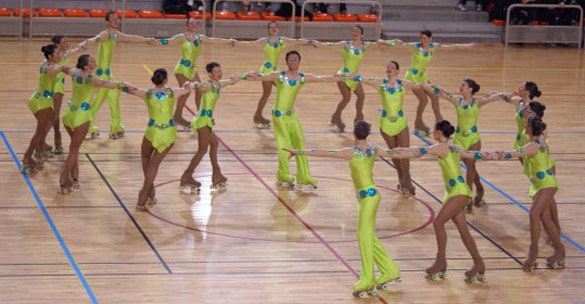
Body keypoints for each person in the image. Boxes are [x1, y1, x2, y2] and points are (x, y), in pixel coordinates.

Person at [284, 120, 401, 297]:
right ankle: (389, 269)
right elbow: (398, 152)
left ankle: (367, 279)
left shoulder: (351, 153)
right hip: (370, 197)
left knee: (363, 236)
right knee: (368, 236)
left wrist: (298, 152)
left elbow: (323, 152)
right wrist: (422, 151)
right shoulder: (373, 149)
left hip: (368, 199)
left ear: (354, 133)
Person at [385, 120, 486, 283]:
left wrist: (391, 152)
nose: (432, 132)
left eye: (434, 130)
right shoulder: (454, 146)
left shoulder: (442, 147)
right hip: (456, 191)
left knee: (438, 223)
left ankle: (441, 261)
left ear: (439, 132)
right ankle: (478, 263)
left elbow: (417, 151)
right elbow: (473, 154)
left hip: (458, 192)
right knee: (463, 229)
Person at [245, 50, 342, 189]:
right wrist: (242, 75)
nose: (293, 62)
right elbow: (260, 77)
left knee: (300, 143)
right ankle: (283, 175)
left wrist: (343, 76)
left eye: (295, 59)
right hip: (279, 115)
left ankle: (304, 177)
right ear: (286, 62)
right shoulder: (279, 76)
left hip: (291, 115)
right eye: (290, 59)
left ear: (299, 61)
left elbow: (324, 78)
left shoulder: (302, 77)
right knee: (284, 145)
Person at [491, 115, 565, 271]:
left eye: (526, 125)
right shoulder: (539, 139)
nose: (524, 127)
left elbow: (514, 153)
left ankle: (533, 252)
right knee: (545, 219)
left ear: (530, 129)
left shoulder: (534, 145)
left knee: (533, 214)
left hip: (546, 184)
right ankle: (559, 250)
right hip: (539, 185)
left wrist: (496, 154)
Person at [422, 79, 500, 210]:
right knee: (471, 167)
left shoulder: (477, 102)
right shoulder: (457, 100)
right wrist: (426, 86)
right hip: (459, 139)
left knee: (470, 165)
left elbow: (493, 97)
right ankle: (480, 190)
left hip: (473, 139)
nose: (460, 87)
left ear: (470, 89)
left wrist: (505, 95)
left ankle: (468, 196)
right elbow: (442, 93)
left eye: (463, 85)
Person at [123, 68, 195, 209]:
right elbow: (189, 87)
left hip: (152, 131)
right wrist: (188, 83)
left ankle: (147, 193)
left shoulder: (148, 94)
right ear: (165, 80)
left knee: (145, 159)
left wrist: (123, 85)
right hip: (168, 133)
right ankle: (147, 193)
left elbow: (129, 90)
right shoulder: (172, 92)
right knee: (154, 165)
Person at [378, 30, 473, 136]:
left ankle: (439, 124)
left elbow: (448, 47)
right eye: (421, 38)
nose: (422, 40)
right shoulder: (416, 47)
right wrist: (385, 42)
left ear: (430, 39)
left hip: (423, 76)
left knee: (435, 96)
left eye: (424, 38)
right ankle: (418, 124)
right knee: (423, 100)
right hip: (412, 77)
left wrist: (464, 46)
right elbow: (401, 43)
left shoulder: (433, 46)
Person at [59, 54, 129, 193]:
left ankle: (75, 178)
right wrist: (125, 84)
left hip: (68, 114)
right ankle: (63, 177)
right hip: (81, 117)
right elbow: (108, 84)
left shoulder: (74, 72)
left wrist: (56, 66)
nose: (95, 61)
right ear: (86, 66)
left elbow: (64, 68)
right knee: (74, 149)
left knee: (75, 148)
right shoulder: (92, 80)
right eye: (91, 61)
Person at [78, 10, 151, 139]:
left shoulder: (115, 34)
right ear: (107, 22)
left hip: (108, 74)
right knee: (97, 103)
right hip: (102, 75)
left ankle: (116, 126)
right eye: (113, 19)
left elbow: (130, 37)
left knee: (114, 97)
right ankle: (86, 125)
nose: (116, 21)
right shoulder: (105, 34)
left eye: (117, 19)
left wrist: (146, 40)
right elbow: (95, 39)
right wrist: (85, 42)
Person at [154, 18, 234, 128]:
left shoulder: (200, 38)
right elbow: (168, 41)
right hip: (181, 69)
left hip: (192, 69)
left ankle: (201, 114)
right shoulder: (182, 37)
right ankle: (177, 116)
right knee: (185, 92)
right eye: (191, 23)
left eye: (196, 23)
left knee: (200, 90)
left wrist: (229, 41)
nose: (194, 25)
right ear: (187, 26)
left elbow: (213, 40)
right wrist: (157, 42)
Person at [232, 21, 314, 129]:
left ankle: (280, 112)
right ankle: (258, 116)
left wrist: (310, 41)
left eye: (276, 27)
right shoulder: (264, 41)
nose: (274, 29)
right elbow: (250, 43)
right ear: (268, 29)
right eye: (271, 27)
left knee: (284, 87)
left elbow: (296, 41)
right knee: (266, 94)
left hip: (276, 70)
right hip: (266, 70)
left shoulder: (281, 40)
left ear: (278, 29)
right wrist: (235, 42)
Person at [356, 60, 420, 197]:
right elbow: (365, 79)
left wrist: (434, 89)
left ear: (397, 71)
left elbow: (420, 85)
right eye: (388, 67)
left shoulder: (403, 84)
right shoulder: (381, 84)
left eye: (392, 67)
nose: (389, 69)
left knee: (405, 153)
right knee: (395, 155)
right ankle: (400, 178)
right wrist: (351, 76)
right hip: (386, 124)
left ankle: (407, 180)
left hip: (401, 123)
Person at [179, 62, 244, 193]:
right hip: (202, 121)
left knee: (214, 144)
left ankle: (217, 175)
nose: (219, 74)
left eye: (220, 71)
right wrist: (191, 84)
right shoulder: (208, 84)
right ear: (209, 74)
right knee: (202, 150)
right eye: (216, 72)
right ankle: (187, 177)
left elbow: (231, 81)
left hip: (207, 120)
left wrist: (244, 75)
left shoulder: (218, 84)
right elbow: (199, 86)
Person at [313, 25, 379, 133]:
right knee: (346, 98)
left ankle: (358, 119)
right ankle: (336, 118)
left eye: (357, 31)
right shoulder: (345, 44)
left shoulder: (364, 45)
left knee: (361, 96)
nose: (355, 33)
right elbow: (330, 45)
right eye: (353, 31)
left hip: (354, 76)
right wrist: (318, 44)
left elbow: (377, 44)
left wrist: (388, 42)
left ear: (361, 35)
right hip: (343, 75)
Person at [21, 44, 70, 174]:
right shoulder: (49, 67)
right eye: (57, 54)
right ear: (50, 56)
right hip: (43, 103)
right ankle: (27, 157)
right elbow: (52, 70)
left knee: (42, 131)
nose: (60, 55)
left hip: (36, 98)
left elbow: (53, 69)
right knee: (40, 132)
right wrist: (62, 67)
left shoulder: (44, 62)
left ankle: (42, 148)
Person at [47, 35, 85, 156]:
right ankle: (46, 142)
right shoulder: (59, 55)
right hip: (56, 87)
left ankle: (54, 142)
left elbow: (71, 52)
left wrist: (81, 47)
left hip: (56, 86)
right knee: (54, 116)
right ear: (58, 45)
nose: (67, 43)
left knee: (53, 115)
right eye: (64, 42)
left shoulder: (61, 54)